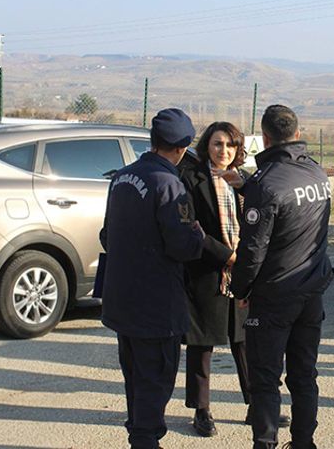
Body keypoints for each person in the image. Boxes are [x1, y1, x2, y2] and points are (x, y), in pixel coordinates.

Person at [229, 104, 334, 449]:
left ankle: (265, 443)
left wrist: (241, 288)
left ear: (266, 138)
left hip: (274, 298)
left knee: (264, 380)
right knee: (304, 375)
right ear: (298, 135)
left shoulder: (267, 183)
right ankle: (304, 442)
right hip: (311, 292)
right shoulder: (317, 174)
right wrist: (248, 186)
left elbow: (252, 248)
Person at [99, 107, 206, 449]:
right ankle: (145, 441)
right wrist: (198, 236)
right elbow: (183, 247)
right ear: (181, 147)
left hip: (123, 300)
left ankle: (139, 436)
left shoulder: (122, 177)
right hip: (156, 305)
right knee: (155, 380)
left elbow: (106, 235)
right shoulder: (169, 184)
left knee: (135, 378)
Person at [178, 121, 290, 436]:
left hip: (241, 274)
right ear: (206, 147)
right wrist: (225, 255)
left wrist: (247, 261)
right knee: (202, 345)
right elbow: (191, 227)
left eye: (230, 145)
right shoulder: (192, 178)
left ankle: (256, 405)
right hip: (206, 271)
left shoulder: (247, 182)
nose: (223, 151)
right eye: (217, 144)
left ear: (238, 149)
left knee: (246, 342)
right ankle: (202, 410)